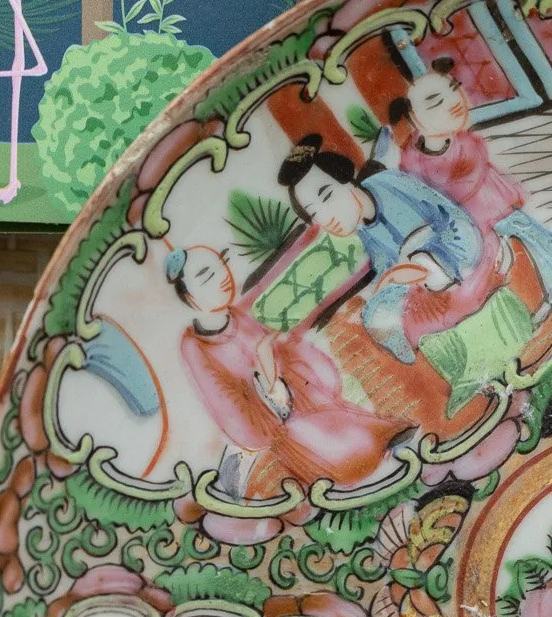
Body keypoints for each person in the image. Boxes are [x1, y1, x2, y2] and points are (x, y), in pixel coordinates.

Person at [168, 244, 403, 493]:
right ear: (189, 298)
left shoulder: (240, 315)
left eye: (222, 263)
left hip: (296, 393)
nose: (223, 277)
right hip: (269, 420)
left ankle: (381, 442)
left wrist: (281, 364)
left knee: (338, 415)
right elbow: (226, 405)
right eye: (206, 275)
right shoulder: (195, 347)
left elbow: (282, 348)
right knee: (339, 447)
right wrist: (269, 395)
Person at [278, 134, 498, 367]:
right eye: (314, 214)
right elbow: (385, 262)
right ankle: (411, 360)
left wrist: (416, 259)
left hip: (452, 238)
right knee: (375, 313)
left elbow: (442, 211)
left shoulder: (388, 182)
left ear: (346, 178)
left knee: (423, 260)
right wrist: (388, 285)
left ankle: (448, 282)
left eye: (327, 196)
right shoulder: (362, 229)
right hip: (415, 269)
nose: (327, 217)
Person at [391, 59, 552, 314]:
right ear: (414, 117)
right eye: (436, 102)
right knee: (491, 269)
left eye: (454, 89)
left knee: (537, 243)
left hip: (497, 208)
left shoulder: (466, 142)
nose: (455, 102)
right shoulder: (412, 162)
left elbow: (481, 173)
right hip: (466, 226)